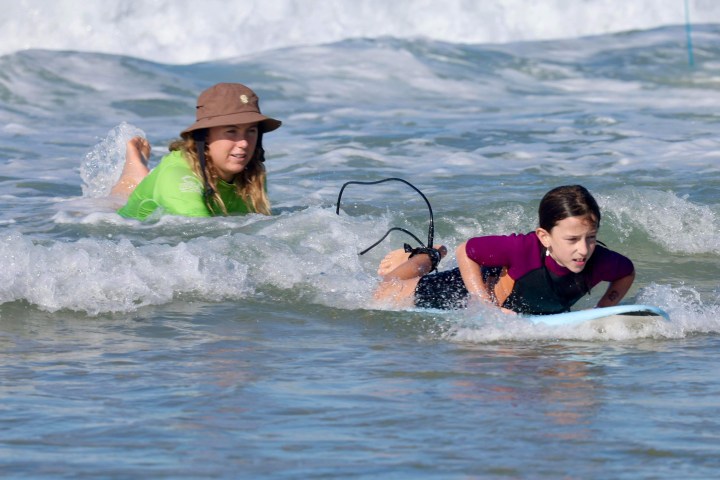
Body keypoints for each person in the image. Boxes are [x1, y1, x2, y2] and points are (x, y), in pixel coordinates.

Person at [374, 185, 635, 315]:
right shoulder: (523, 249)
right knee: (383, 292)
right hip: (463, 289)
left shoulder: (601, 261)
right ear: (544, 236)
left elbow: (626, 273)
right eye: (572, 239)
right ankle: (427, 255)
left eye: (591, 238)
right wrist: (484, 305)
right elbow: (466, 250)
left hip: (501, 289)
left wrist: (602, 309)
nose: (583, 250)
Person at [111, 82, 282, 220]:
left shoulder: (252, 174)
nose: (244, 143)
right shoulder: (179, 178)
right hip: (116, 219)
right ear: (205, 135)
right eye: (231, 131)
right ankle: (134, 171)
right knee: (113, 202)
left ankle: (138, 174)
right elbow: (204, 237)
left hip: (165, 184)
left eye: (251, 131)